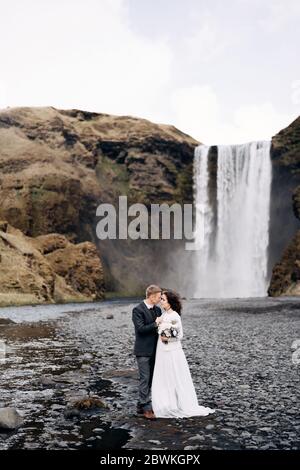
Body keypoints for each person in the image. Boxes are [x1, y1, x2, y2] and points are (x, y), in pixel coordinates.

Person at [151, 289, 215, 418]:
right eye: (161, 299)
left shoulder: (175, 316)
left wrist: (168, 337)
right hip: (162, 350)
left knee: (174, 375)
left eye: (163, 299)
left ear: (170, 302)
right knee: (164, 375)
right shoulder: (164, 315)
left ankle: (177, 404)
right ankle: (167, 403)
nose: (161, 302)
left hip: (172, 351)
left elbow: (180, 335)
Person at [132, 284, 162, 420]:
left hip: (156, 350)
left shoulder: (158, 310)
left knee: (150, 379)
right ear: (151, 296)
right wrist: (156, 324)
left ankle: (140, 405)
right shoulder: (137, 310)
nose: (161, 299)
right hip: (143, 350)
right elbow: (141, 329)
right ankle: (146, 408)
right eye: (159, 296)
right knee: (145, 379)